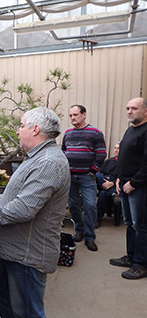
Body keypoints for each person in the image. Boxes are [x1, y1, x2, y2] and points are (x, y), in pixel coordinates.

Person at [0, 107, 70, 318]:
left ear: (35, 129)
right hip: (13, 248)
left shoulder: (48, 163)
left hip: (28, 253)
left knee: (28, 311)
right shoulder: (35, 156)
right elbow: (16, 193)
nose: (18, 131)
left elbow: (24, 209)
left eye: (21, 125)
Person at [110, 97, 147, 279]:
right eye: (127, 108)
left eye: (134, 108)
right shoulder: (130, 130)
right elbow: (125, 157)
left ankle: (141, 264)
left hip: (139, 187)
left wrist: (133, 183)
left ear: (145, 111)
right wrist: (119, 177)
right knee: (130, 224)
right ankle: (131, 257)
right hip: (125, 184)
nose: (129, 111)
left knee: (141, 226)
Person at [62, 104, 106, 252]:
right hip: (70, 177)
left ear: (84, 114)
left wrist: (92, 170)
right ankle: (79, 231)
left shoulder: (95, 133)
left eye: (76, 115)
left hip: (87, 177)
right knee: (73, 205)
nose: (73, 118)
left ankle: (90, 237)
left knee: (90, 206)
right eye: (70, 115)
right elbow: (63, 152)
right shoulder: (68, 133)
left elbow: (101, 153)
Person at [96, 143, 119, 226]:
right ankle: (112, 193)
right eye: (115, 148)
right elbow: (100, 172)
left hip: (115, 185)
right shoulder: (109, 161)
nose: (116, 150)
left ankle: (97, 219)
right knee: (97, 175)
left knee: (103, 194)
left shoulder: (125, 163)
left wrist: (112, 183)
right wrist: (107, 183)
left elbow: (124, 177)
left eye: (118, 149)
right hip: (104, 182)